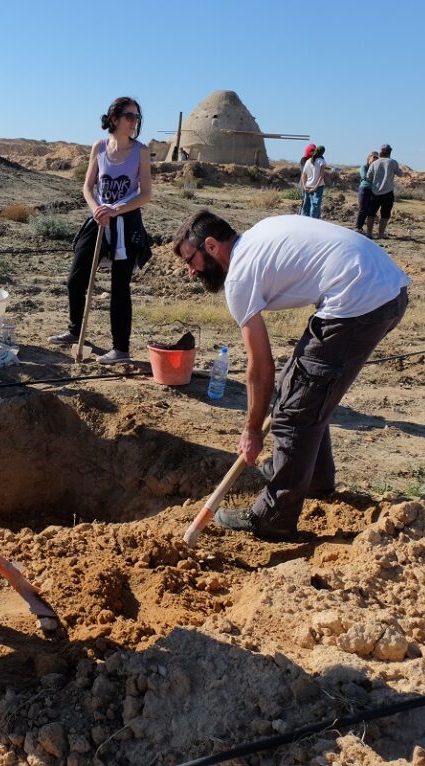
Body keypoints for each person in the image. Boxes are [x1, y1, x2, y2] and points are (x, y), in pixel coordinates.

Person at [172, 211, 409, 541]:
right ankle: (314, 479)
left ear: (210, 246)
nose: (191, 271)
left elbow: (260, 366)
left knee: (295, 412)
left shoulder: (239, 278)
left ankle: (273, 518)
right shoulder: (258, 233)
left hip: (361, 300)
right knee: (299, 391)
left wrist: (252, 430)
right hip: (385, 290)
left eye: (191, 260)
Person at [47, 97, 152, 364]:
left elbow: (145, 194)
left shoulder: (141, 151)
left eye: (137, 117)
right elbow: (87, 186)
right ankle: (74, 331)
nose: (134, 121)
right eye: (130, 116)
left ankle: (120, 349)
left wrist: (116, 210)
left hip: (126, 223)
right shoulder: (100, 147)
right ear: (114, 118)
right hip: (98, 219)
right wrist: (96, 208)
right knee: (76, 279)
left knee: (120, 287)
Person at [364, 144, 404, 239]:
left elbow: (368, 177)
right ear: (390, 152)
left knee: (371, 213)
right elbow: (400, 174)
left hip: (375, 191)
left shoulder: (375, 163)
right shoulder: (393, 162)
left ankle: (369, 234)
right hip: (388, 192)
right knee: (385, 215)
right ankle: (381, 234)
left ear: (381, 151)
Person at [355, 151, 380, 235]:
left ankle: (365, 229)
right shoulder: (364, 167)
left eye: (377, 158)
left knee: (369, 210)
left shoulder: (376, 169)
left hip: (373, 191)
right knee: (362, 209)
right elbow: (365, 177)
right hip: (364, 189)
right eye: (374, 157)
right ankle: (358, 227)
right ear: (369, 158)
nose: (375, 159)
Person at [299, 145, 327, 218]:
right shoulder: (322, 161)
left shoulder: (308, 161)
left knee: (306, 205)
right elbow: (321, 176)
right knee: (315, 206)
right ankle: (313, 224)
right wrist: (315, 187)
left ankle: (304, 222)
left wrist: (304, 186)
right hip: (317, 188)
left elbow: (303, 175)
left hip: (308, 186)